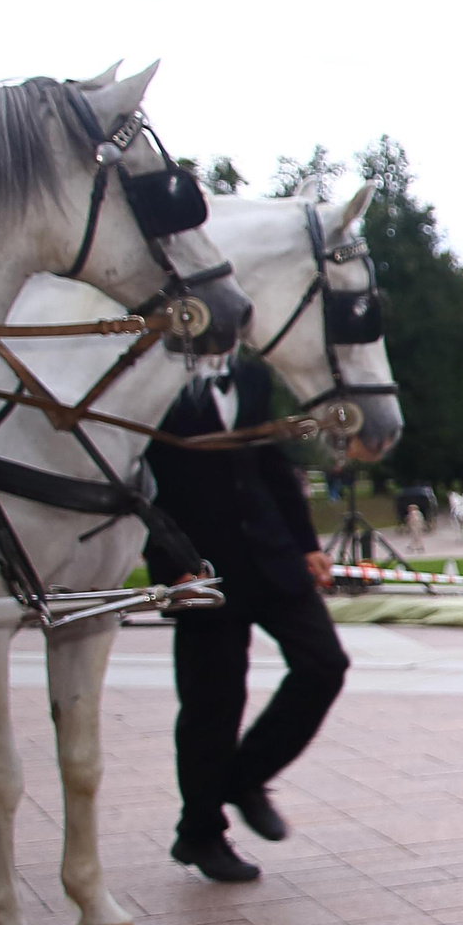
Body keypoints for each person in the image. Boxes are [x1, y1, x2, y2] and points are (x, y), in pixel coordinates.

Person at [145, 353, 347, 883]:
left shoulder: (253, 375)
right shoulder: (156, 378)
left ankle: (244, 777)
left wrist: (307, 544)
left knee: (324, 665)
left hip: (273, 555)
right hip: (201, 568)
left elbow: (273, 465)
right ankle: (200, 833)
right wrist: (168, 565)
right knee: (212, 703)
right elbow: (143, 480)